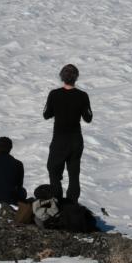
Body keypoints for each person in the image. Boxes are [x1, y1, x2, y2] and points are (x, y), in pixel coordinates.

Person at [43, 63, 92, 201]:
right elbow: (88, 118)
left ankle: (57, 200)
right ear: (76, 78)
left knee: (53, 169)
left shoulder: (54, 94)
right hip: (76, 139)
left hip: (59, 139)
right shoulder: (83, 95)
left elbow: (46, 114)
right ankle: (72, 204)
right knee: (74, 173)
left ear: (61, 77)